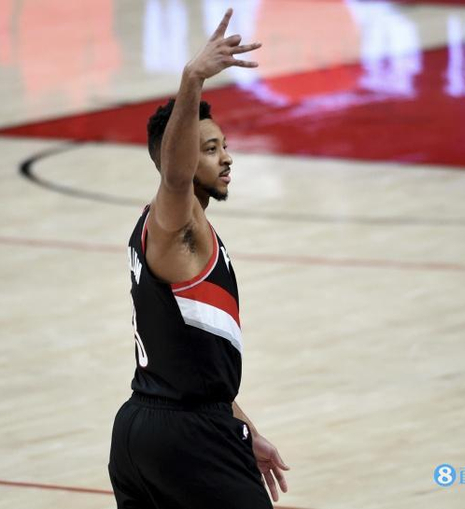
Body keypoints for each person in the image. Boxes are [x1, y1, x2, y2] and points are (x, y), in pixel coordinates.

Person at [107, 8, 289, 509]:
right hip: (187, 444)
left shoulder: (171, 230)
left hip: (144, 429)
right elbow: (175, 176)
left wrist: (245, 430)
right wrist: (193, 79)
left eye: (224, 145)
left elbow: (193, 368)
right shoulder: (177, 226)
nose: (226, 156)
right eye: (209, 149)